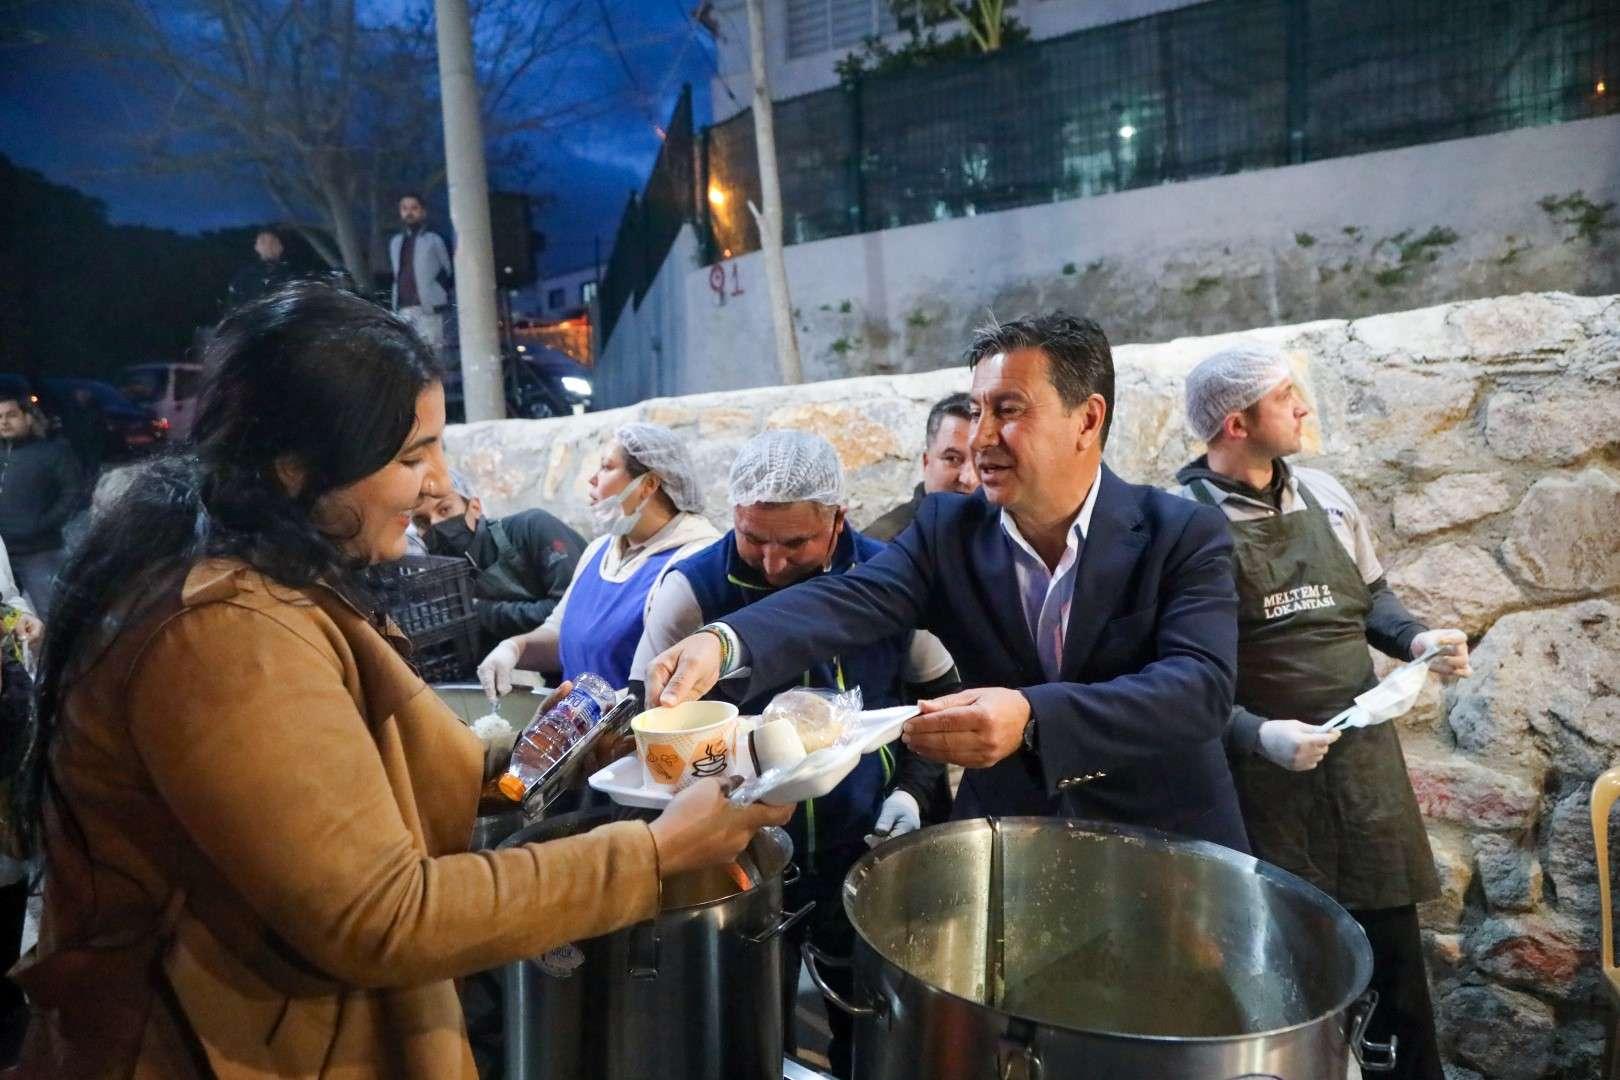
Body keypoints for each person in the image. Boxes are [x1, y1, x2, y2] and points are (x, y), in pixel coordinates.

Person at [5, 283, 789, 1078]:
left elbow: (344, 783)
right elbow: (380, 914)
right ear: (295, 467)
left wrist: (561, 748)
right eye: (411, 455)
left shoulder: (281, 579)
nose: (436, 483)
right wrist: (653, 855)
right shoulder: (223, 633)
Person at [647, 313, 1250, 851]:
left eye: (1008, 410)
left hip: (1163, 840)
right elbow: (848, 598)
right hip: (1013, 836)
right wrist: (723, 643)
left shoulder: (1181, 532)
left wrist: (1033, 716)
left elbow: (1197, 690)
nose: (980, 437)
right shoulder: (947, 532)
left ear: (1087, 419)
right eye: (977, 409)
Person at [1173, 342, 1470, 1080]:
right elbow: (1173, 676)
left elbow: (1374, 602)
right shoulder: (1181, 526)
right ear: (1236, 423)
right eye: (1286, 398)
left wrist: (1416, 639)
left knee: (1397, 978)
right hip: (1262, 794)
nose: (1304, 407)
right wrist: (1255, 734)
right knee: (1287, 992)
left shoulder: (1330, 497)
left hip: (1365, 780)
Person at [630, 430, 957, 1078]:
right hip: (736, 857)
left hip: (861, 848)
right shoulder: (690, 594)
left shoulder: (891, 581)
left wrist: (910, 794)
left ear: (838, 518)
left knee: (868, 1031)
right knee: (742, 1028)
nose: (773, 565)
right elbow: (650, 728)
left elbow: (938, 706)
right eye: (755, 541)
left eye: (796, 544)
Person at [478, 423, 719, 696]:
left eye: (606, 467)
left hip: (631, 733)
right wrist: (514, 648)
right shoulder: (599, 550)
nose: (592, 479)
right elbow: (564, 638)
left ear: (648, 485)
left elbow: (664, 680)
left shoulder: (691, 560)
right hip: (576, 727)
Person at [413, 469, 587, 650]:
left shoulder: (532, 527)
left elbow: (571, 611)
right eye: (423, 522)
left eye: (444, 509)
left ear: (475, 507)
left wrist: (480, 612)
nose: (435, 524)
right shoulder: (450, 579)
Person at [0, 392, 84, 615]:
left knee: (54, 615)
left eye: (11, 415)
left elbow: (74, 493)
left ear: (28, 417)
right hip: (2, 554)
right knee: (7, 619)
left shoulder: (53, 452)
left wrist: (42, 524)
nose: (4, 422)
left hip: (40, 552)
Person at [865, 391, 977, 541]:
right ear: (926, 462)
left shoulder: (1004, 531)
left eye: (981, 461)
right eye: (953, 459)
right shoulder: (887, 545)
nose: (968, 478)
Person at [390, 193, 453, 352]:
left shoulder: (435, 239)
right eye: (404, 208)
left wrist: (438, 291)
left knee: (431, 354)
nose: (409, 212)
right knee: (408, 356)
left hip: (428, 307)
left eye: (414, 208)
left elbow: (448, 269)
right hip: (403, 308)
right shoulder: (396, 241)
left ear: (422, 211)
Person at [225, 227, 294, 311]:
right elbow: (234, 307)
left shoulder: (292, 274)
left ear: (281, 247)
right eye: (263, 242)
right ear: (256, 247)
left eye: (273, 242)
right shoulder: (244, 275)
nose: (268, 246)